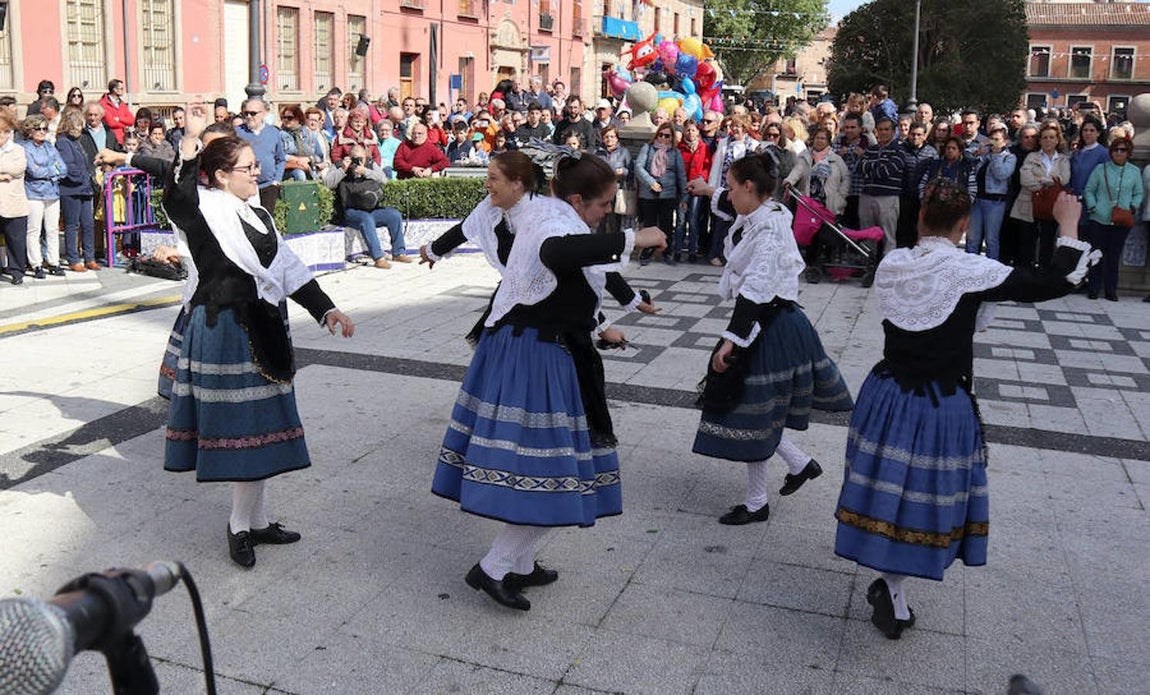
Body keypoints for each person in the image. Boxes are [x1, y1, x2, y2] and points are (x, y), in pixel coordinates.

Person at [833, 179, 1097, 640]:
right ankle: (893, 595)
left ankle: (892, 594)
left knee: (890, 493)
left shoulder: (895, 262)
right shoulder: (969, 270)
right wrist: (1068, 224)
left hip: (886, 395)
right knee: (919, 501)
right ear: (965, 224)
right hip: (939, 404)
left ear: (919, 219)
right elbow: (1053, 281)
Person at [430, 151, 667, 611]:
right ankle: (494, 568)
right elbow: (555, 255)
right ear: (578, 200)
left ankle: (520, 565)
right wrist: (633, 237)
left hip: (539, 347)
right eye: (603, 207)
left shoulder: (552, 214)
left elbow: (576, 281)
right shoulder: (551, 222)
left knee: (552, 469)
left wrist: (603, 324)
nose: (607, 215)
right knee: (558, 475)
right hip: (533, 354)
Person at [160, 105, 355, 569]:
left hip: (263, 325)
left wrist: (325, 307)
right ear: (222, 176)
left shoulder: (257, 215)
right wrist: (188, 150)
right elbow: (176, 198)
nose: (259, 173)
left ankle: (259, 520)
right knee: (245, 432)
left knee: (262, 432)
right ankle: (239, 526)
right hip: (224, 330)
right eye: (248, 168)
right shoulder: (203, 210)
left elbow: (286, 266)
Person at [691, 153, 853, 526]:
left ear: (750, 187)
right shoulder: (769, 211)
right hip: (773, 322)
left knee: (753, 411)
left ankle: (758, 501)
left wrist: (731, 340)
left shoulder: (769, 229)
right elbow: (737, 208)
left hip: (771, 324)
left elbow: (756, 289)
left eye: (732, 188)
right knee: (756, 410)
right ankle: (794, 469)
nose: (728, 196)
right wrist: (707, 191)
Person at [322, 143, 410, 268]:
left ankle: (399, 252)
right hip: (351, 211)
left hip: (372, 208)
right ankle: (378, 258)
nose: (358, 162)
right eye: (354, 158)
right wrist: (343, 170)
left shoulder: (370, 164)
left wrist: (366, 171)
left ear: (366, 157)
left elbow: (384, 180)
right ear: (349, 157)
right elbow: (327, 183)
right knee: (366, 219)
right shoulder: (340, 165)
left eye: (361, 159)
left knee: (394, 215)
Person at [1082, 136, 1142, 301]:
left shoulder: (1134, 172)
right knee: (1096, 254)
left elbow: (1138, 193)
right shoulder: (1101, 169)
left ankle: (1110, 290)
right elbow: (1089, 190)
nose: (1118, 153)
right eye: (1115, 149)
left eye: (1122, 150)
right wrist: (1093, 206)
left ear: (1128, 152)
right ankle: (1093, 288)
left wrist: (1132, 206)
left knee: (1114, 256)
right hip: (1099, 218)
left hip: (1121, 219)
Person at [1013, 124, 1069, 270]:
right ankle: (1026, 276)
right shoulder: (1032, 157)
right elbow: (1025, 180)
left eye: (1052, 137)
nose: (1048, 140)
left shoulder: (1063, 160)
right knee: (1027, 242)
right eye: (1044, 137)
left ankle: (1044, 276)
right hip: (1029, 204)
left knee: (1047, 242)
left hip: (1051, 206)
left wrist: (1041, 179)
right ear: (1040, 141)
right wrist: (1048, 184)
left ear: (1057, 140)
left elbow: (1063, 179)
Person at [22, 114, 67, 278]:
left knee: (52, 229)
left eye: (44, 129)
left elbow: (63, 168)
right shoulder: (26, 147)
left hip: (52, 193)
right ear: (30, 130)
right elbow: (33, 171)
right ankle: (36, 263)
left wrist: (48, 171)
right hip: (34, 193)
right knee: (33, 229)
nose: (42, 132)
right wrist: (51, 170)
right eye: (38, 129)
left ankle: (53, 261)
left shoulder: (49, 146)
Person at [635, 122, 687, 265]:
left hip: (668, 193)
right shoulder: (648, 148)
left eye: (667, 136)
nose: (663, 138)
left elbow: (681, 174)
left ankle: (666, 252)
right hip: (649, 192)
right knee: (649, 223)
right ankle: (647, 252)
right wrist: (651, 182)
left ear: (672, 138)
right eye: (661, 135)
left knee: (667, 224)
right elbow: (638, 167)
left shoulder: (675, 153)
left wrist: (684, 196)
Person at [55, 109, 99, 272]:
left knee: (88, 224)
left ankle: (90, 257)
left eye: (80, 125)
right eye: (76, 125)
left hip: (84, 189)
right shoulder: (63, 142)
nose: (79, 128)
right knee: (72, 225)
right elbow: (67, 166)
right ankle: (73, 258)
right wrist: (84, 176)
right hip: (71, 189)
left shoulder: (78, 142)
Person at [966, 126, 1016, 260]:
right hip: (977, 200)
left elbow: (1001, 174)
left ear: (1005, 141)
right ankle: (970, 267)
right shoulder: (985, 155)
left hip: (995, 202)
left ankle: (991, 269)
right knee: (972, 239)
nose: (994, 142)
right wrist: (979, 151)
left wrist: (996, 155)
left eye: (997, 139)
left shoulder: (1009, 158)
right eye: (992, 139)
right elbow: (967, 156)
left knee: (991, 239)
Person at [676, 119, 712, 262]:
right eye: (688, 130)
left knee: (693, 219)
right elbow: (678, 168)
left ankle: (692, 250)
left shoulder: (704, 148)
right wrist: (684, 184)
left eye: (693, 130)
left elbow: (706, 167)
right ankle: (678, 249)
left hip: (697, 188)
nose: (691, 133)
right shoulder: (680, 148)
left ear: (698, 132)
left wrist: (699, 181)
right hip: (682, 188)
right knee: (680, 220)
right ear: (684, 131)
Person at [0, 112, 29, 285]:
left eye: (3, 132)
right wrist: (3, 176)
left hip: (14, 202)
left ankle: (17, 270)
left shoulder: (18, 149)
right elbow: (9, 171)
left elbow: (18, 169)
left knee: (16, 239)